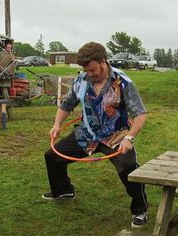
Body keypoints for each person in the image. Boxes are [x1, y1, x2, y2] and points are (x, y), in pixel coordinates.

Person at [43, 42, 148, 228]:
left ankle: (140, 211)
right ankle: (64, 191)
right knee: (52, 157)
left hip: (116, 135)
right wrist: (57, 124)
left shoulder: (122, 82)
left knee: (130, 170)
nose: (90, 74)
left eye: (92, 70)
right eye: (86, 70)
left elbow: (139, 114)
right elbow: (67, 105)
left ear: (103, 61)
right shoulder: (81, 81)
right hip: (88, 133)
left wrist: (129, 138)